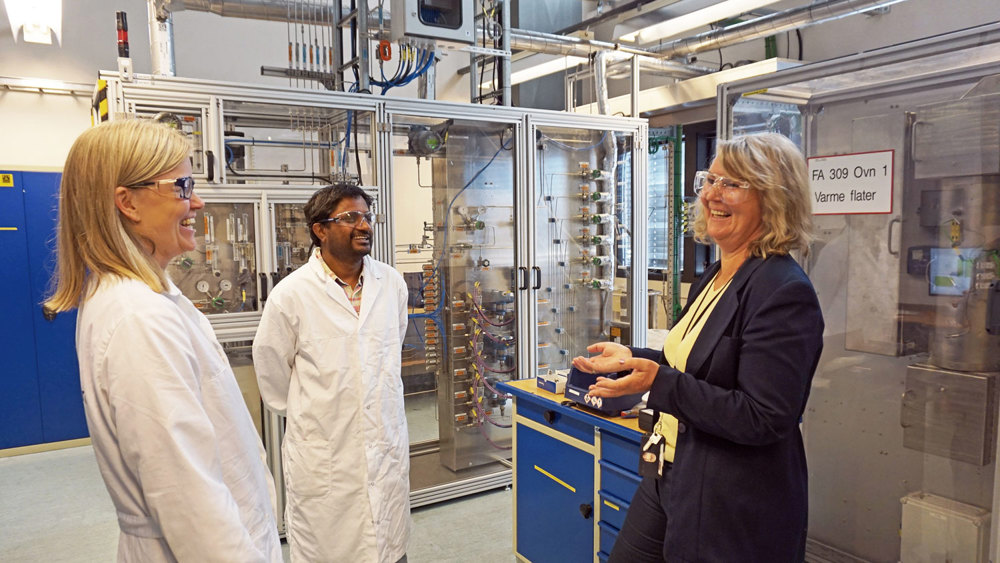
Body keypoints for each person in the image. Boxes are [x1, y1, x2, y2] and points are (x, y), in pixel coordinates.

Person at [573, 133, 824, 562]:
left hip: (729, 497)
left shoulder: (782, 291)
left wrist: (659, 381)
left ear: (774, 198)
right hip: (671, 471)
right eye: (709, 180)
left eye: (731, 184)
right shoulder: (715, 275)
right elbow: (695, 365)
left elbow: (763, 416)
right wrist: (638, 359)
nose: (711, 195)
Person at [44, 119, 282, 562]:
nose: (197, 200)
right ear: (127, 202)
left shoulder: (144, 300)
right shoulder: (139, 317)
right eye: (182, 185)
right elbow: (189, 498)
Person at [253, 184, 410, 563]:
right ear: (320, 230)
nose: (364, 225)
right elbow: (272, 375)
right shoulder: (292, 295)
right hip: (325, 455)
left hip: (384, 446)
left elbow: (391, 350)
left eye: (367, 217)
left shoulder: (391, 283)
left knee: (390, 548)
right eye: (350, 218)